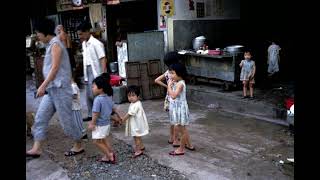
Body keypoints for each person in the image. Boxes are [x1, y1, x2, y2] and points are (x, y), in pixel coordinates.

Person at [26, 18, 84, 158]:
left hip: (61, 89)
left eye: (38, 33)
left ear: (45, 33)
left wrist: (42, 86)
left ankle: (78, 145)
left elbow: (55, 68)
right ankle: (36, 148)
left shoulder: (56, 44)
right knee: (40, 117)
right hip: (52, 90)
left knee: (66, 120)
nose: (37, 36)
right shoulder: (51, 44)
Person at [77, 21, 108, 122]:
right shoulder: (84, 44)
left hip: (95, 72)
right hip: (87, 71)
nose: (80, 36)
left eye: (81, 34)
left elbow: (102, 58)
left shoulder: (96, 43)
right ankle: (91, 114)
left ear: (87, 32)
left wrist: (103, 74)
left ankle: (101, 115)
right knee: (88, 96)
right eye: (79, 34)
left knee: (95, 95)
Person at [88, 73, 119, 164]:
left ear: (100, 88)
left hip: (99, 124)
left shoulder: (98, 99)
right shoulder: (108, 97)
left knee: (96, 141)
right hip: (106, 124)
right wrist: (117, 117)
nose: (92, 88)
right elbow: (112, 109)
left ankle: (109, 155)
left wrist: (92, 123)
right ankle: (108, 153)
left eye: (93, 86)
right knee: (104, 139)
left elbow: (95, 113)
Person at [167, 63, 195, 156]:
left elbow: (174, 96)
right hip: (177, 108)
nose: (170, 75)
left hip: (180, 109)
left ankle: (181, 149)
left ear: (179, 73)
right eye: (170, 73)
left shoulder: (180, 83)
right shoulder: (176, 82)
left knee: (182, 130)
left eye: (172, 73)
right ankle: (189, 145)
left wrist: (168, 86)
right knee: (182, 129)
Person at [154, 51, 180, 147]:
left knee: (172, 121)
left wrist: (167, 86)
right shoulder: (177, 72)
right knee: (177, 121)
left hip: (168, 99)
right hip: (175, 99)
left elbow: (156, 80)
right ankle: (176, 140)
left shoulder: (167, 72)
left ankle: (171, 138)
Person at [120, 85, 149, 158]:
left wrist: (123, 119)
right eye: (129, 96)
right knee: (137, 136)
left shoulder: (137, 104)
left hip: (137, 124)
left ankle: (138, 150)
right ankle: (141, 146)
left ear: (138, 96)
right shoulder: (133, 103)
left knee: (136, 137)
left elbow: (130, 114)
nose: (131, 97)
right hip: (136, 123)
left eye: (133, 95)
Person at [71, 73, 88, 140]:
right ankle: (81, 133)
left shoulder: (72, 86)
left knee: (77, 121)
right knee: (77, 121)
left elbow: (74, 96)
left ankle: (83, 134)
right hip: (75, 107)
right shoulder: (73, 85)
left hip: (75, 107)